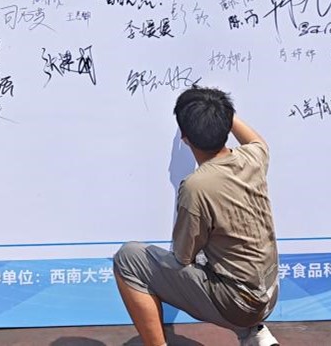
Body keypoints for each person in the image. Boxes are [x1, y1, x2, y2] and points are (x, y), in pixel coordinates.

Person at [113, 86, 280, 346]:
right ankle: (254, 333)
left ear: (185, 137)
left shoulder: (196, 186)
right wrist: (217, 109)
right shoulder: (253, 158)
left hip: (237, 303)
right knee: (219, 250)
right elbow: (257, 141)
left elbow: (183, 256)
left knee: (129, 258)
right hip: (269, 294)